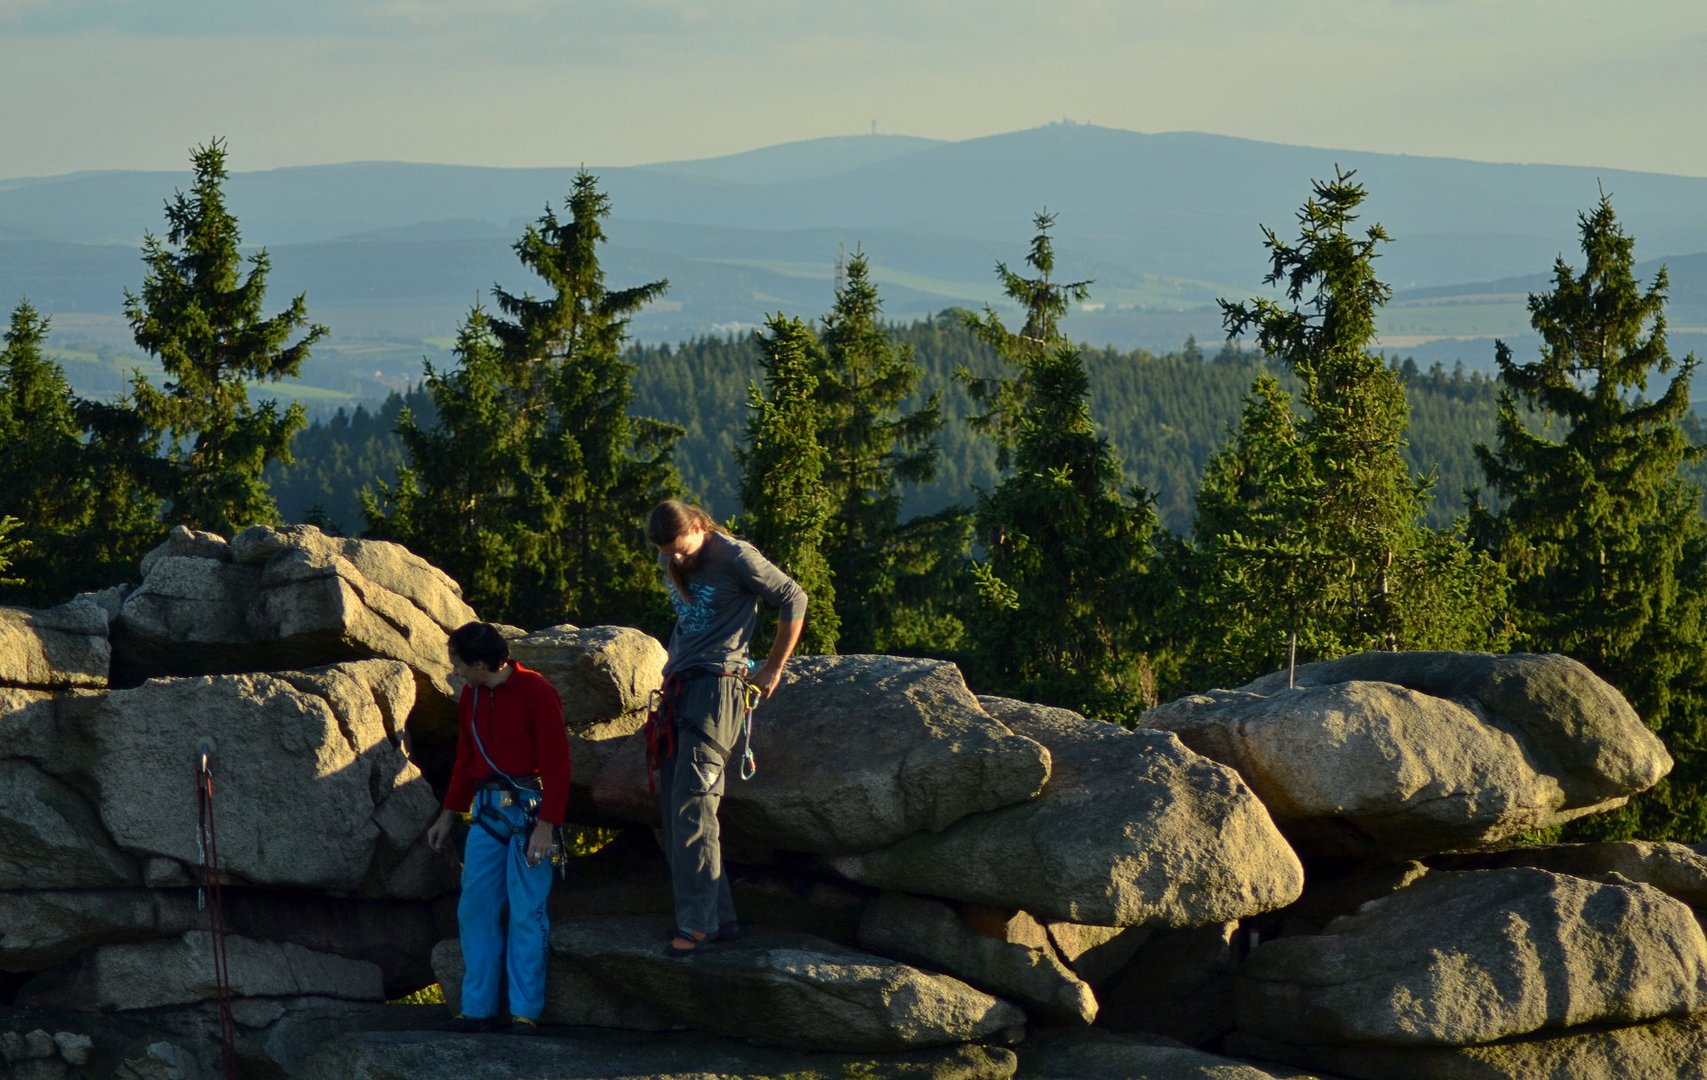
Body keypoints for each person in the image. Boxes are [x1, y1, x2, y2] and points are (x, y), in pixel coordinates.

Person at [644, 500, 807, 955]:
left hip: (717, 691)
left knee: (694, 807)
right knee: (677, 811)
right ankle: (719, 919)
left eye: (679, 548)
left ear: (699, 526)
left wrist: (773, 667)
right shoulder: (672, 553)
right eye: (666, 552)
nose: (674, 559)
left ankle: (698, 926)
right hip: (680, 689)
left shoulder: (736, 556)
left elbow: (795, 597)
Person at [425, 621, 571, 1035]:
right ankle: (478, 1009)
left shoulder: (538, 692)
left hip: (530, 816)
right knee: (475, 908)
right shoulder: (471, 694)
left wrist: (547, 827)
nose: (453, 671)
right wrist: (448, 815)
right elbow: (465, 758)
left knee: (527, 911)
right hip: (486, 813)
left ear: (481, 662)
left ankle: (525, 1012)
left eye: (457, 663)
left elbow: (558, 765)